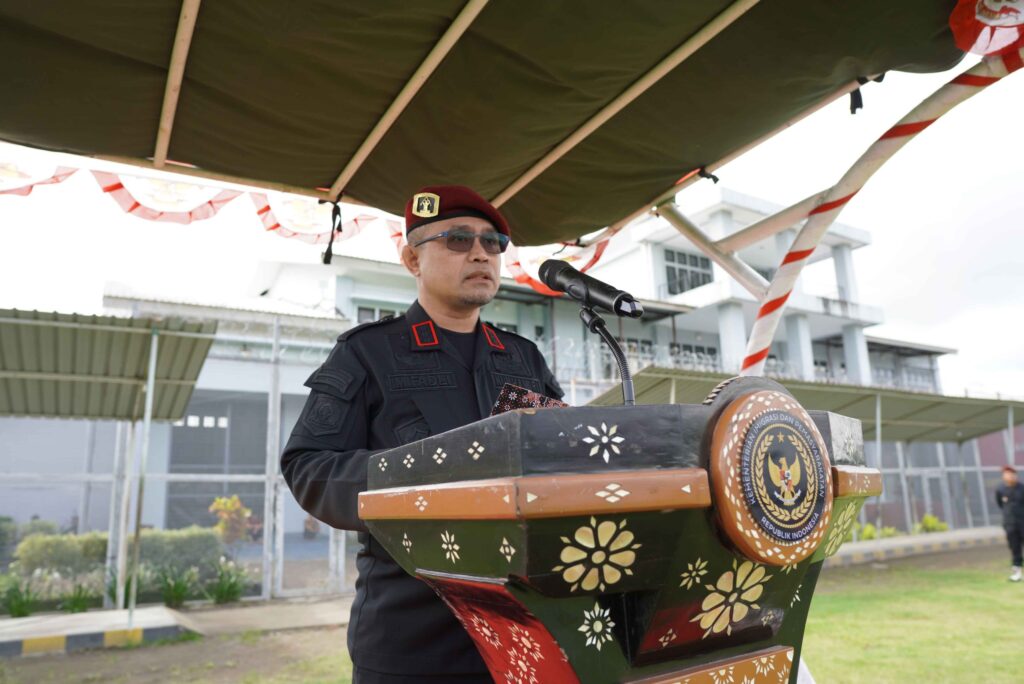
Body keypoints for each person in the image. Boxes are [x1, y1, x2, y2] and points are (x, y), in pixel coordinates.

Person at [281, 185, 563, 683]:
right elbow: (309, 466)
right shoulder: (369, 353)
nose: (480, 252)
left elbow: (560, 461)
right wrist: (422, 481)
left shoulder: (524, 358)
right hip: (412, 638)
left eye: (493, 242)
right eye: (457, 239)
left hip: (524, 630)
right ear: (412, 259)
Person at [996, 465, 1024, 582]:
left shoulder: (1022, 488)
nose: (1009, 476)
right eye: (1006, 474)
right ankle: (1017, 573)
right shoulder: (1000, 489)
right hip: (1010, 524)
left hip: (1022, 522)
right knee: (1014, 548)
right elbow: (1000, 504)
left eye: (1011, 474)